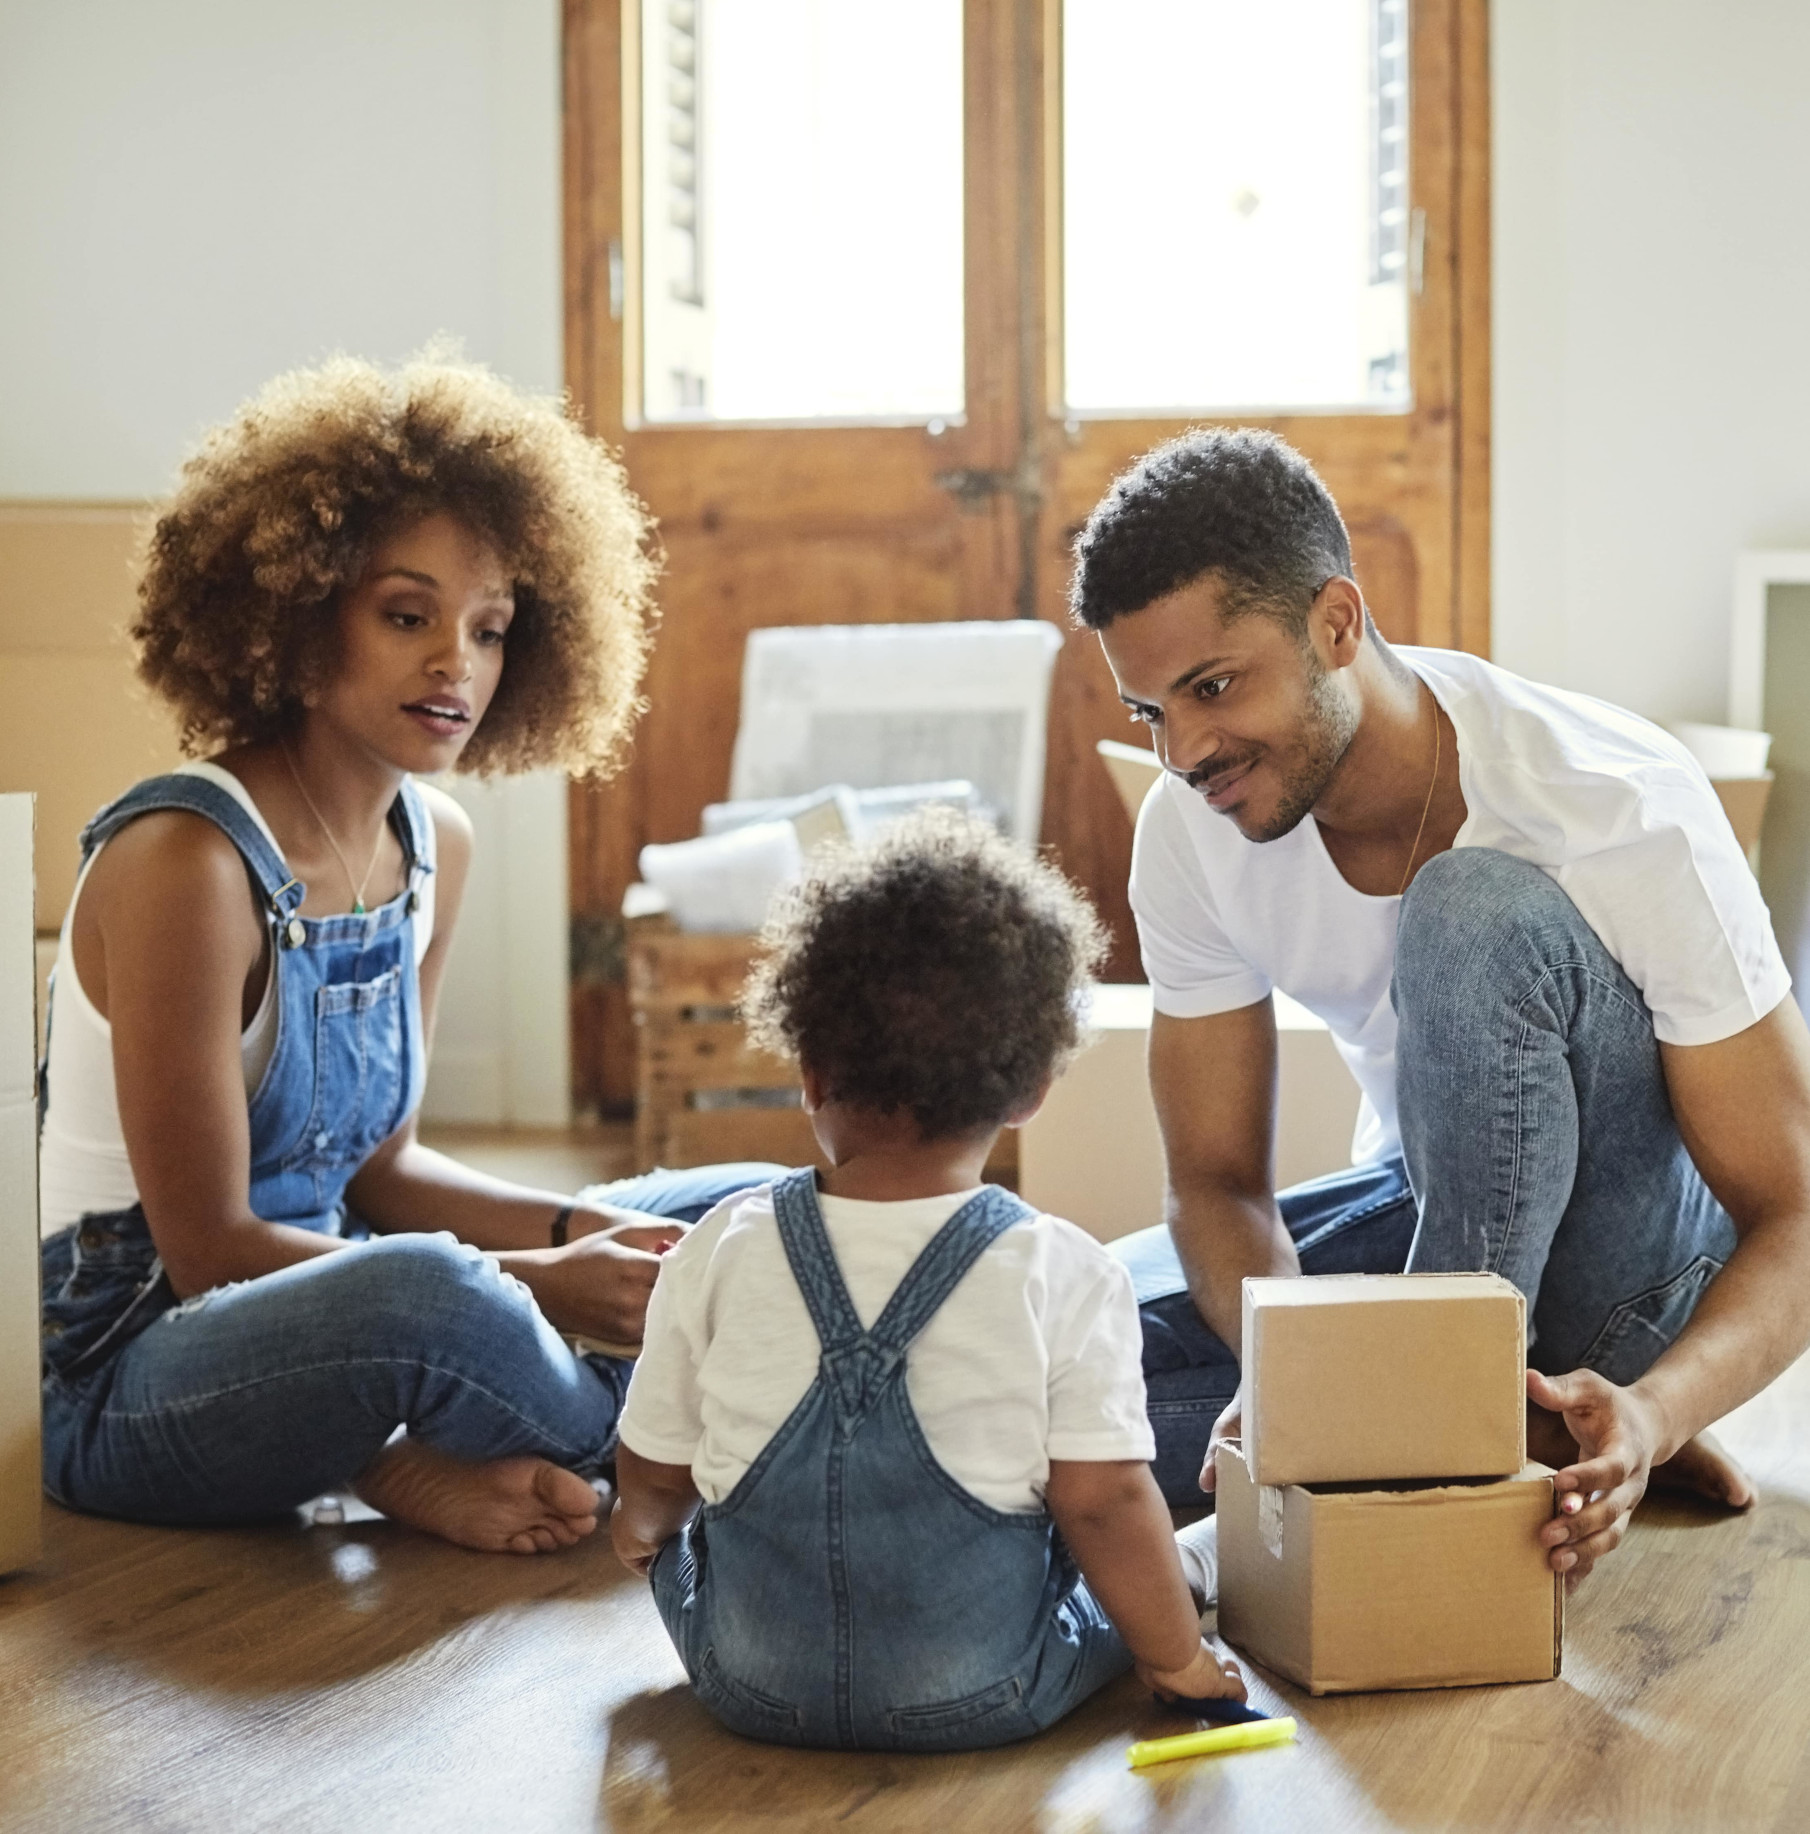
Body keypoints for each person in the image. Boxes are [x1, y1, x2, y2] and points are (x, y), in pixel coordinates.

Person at [37, 353, 782, 1554]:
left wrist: (578, 1227)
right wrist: (540, 1283)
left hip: (348, 1294)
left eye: (490, 630)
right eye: (405, 615)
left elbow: (381, 1170)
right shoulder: (185, 857)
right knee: (436, 1293)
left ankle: (462, 1446)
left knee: (747, 1207)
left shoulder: (434, 840)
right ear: (295, 605)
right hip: (122, 1377)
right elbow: (209, 1248)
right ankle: (720, 1444)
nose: (457, 666)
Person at [1070, 428, 1810, 1588]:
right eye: (1150, 711)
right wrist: (1281, 1377)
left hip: (1627, 1275)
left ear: (1336, 623)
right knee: (1057, 1346)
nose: (1186, 751)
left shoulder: (1617, 805)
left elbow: (1796, 1212)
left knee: (1468, 913)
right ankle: (1493, 1430)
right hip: (1431, 1210)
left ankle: (1457, 1437)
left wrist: (1657, 1410)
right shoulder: (1191, 830)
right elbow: (1215, 1180)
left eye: (1212, 687)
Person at [608, 812, 1243, 1750]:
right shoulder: (1063, 1269)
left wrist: (646, 1530)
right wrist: (1178, 1663)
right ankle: (1206, 1571)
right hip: (991, 1689)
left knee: (683, 1543)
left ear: (812, 1074)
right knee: (1143, 1562)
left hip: (744, 1684)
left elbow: (655, 1472)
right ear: (1031, 1090)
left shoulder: (720, 1245)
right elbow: (1105, 1500)